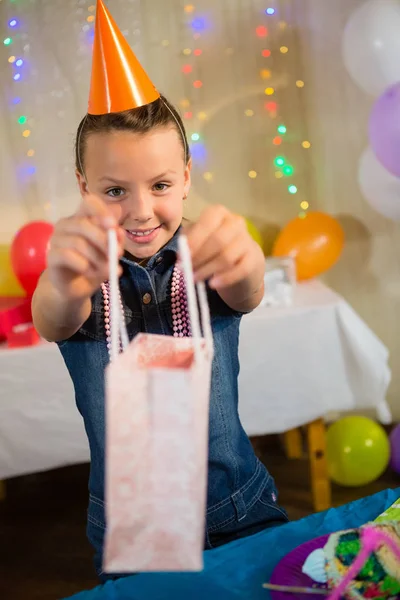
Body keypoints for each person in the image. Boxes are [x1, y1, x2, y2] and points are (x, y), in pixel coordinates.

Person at [31, 0, 288, 580]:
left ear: (188, 177)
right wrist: (64, 280)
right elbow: (53, 318)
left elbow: (246, 293)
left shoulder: (208, 254)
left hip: (239, 508)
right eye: (115, 190)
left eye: (162, 184)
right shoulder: (80, 271)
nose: (141, 211)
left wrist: (245, 258)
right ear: (83, 186)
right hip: (134, 526)